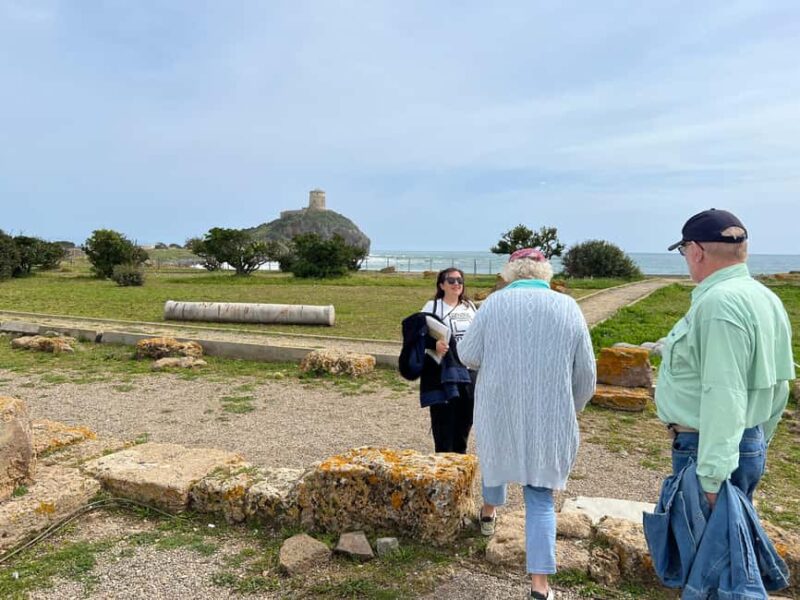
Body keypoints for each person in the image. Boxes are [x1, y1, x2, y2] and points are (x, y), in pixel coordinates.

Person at [458, 248, 596, 600]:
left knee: (494, 462)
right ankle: (540, 587)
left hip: (499, 407)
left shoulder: (492, 304)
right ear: (545, 273)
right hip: (549, 415)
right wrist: (572, 407)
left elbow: (469, 356)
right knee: (540, 497)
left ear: (510, 273)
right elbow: (587, 375)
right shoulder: (568, 307)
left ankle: (488, 515)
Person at [656, 208, 795, 506]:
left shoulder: (719, 304)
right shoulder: (765, 297)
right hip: (744, 440)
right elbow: (780, 384)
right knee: (728, 547)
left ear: (696, 251)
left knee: (702, 550)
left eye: (683, 251)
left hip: (707, 450)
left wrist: (711, 478)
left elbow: (724, 394)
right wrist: (756, 441)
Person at [418, 268, 477, 454]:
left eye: (460, 280)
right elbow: (416, 335)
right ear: (441, 285)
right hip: (443, 374)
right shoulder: (432, 307)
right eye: (451, 280)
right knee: (444, 424)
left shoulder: (470, 307)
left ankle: (460, 466)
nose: (456, 284)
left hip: (469, 372)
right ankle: (443, 468)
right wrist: (433, 344)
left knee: (464, 423)